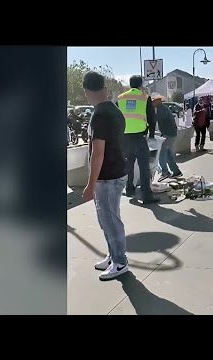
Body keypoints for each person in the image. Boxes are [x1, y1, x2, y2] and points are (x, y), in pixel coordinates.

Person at [82, 71, 129, 280]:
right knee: (108, 219)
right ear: (105, 89)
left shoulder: (99, 115)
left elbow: (97, 153)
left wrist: (90, 185)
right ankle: (113, 256)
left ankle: (120, 262)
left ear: (86, 93)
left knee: (110, 221)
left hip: (107, 176)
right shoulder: (115, 111)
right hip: (117, 172)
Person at [117, 75, 160, 204]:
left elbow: (116, 118)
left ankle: (129, 189)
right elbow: (151, 117)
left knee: (128, 164)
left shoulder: (120, 98)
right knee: (144, 166)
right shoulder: (144, 97)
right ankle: (147, 195)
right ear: (141, 85)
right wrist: (152, 135)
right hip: (139, 137)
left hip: (125, 138)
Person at [151, 93, 183, 182]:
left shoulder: (161, 110)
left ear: (157, 101)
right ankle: (176, 171)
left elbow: (155, 119)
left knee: (161, 153)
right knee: (168, 154)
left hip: (168, 134)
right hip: (170, 133)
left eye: (153, 101)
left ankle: (165, 172)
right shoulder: (163, 108)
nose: (152, 103)